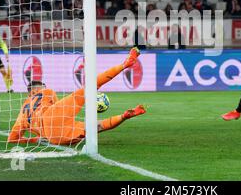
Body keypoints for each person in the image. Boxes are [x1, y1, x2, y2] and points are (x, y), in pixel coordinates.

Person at [8, 47, 146, 145]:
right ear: (35, 91)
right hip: (53, 115)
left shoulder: (22, 114)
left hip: (53, 137)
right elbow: (58, 109)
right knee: (91, 86)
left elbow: (12, 140)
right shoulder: (47, 91)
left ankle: (123, 117)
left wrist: (35, 139)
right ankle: (125, 64)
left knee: (95, 127)